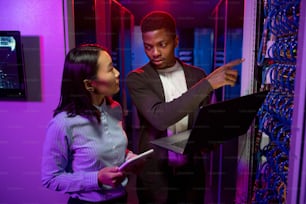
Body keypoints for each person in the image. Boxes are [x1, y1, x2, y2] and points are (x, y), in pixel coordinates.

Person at [126, 11, 244, 204]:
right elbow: (159, 117)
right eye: (148, 47)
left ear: (176, 41)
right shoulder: (137, 78)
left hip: (191, 172)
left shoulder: (197, 75)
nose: (155, 53)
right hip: (156, 173)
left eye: (162, 45)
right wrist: (207, 84)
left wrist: (210, 139)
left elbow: (207, 121)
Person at [41, 44, 137, 204]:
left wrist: (130, 158)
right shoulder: (62, 124)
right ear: (89, 84)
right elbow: (50, 178)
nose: (117, 73)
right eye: (110, 69)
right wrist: (96, 179)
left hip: (121, 198)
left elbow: (113, 147)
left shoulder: (115, 108)